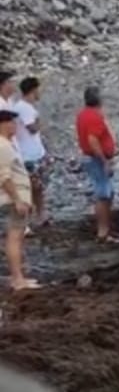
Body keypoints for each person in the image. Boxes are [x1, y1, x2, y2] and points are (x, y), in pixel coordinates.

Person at [75, 86, 119, 245]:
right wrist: (105, 160)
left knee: (106, 192)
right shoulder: (94, 117)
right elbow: (93, 140)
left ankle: (105, 228)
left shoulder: (83, 114)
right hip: (96, 159)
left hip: (91, 158)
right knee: (103, 194)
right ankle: (103, 232)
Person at [0, 111, 38, 291]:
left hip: (17, 197)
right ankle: (17, 279)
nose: (14, 126)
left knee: (17, 237)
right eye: (11, 123)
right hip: (14, 198)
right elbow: (4, 177)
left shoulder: (7, 144)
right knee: (14, 237)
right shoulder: (3, 146)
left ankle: (19, 277)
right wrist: (17, 199)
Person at [13, 78, 49, 230]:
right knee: (32, 187)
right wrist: (40, 122)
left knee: (37, 187)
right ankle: (28, 220)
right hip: (29, 155)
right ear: (33, 90)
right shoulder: (25, 108)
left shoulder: (23, 107)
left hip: (33, 153)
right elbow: (32, 128)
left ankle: (40, 214)